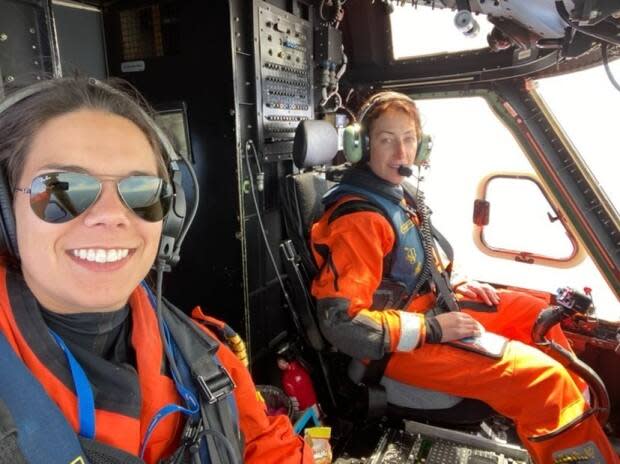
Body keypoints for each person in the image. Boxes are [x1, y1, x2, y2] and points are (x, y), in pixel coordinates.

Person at [0, 77, 312, 464]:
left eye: (142, 191)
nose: (112, 216)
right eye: (62, 188)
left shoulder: (204, 353)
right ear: (4, 213)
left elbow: (267, 449)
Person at [310, 91, 618, 463]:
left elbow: (408, 267)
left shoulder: (395, 195)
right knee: (543, 381)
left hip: (429, 309)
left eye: (408, 139)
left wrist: (454, 285)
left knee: (532, 312)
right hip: (398, 345)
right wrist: (434, 329)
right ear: (362, 146)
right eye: (386, 140)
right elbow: (342, 325)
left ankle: (578, 423)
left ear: (421, 147)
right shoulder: (360, 220)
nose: (400, 153)